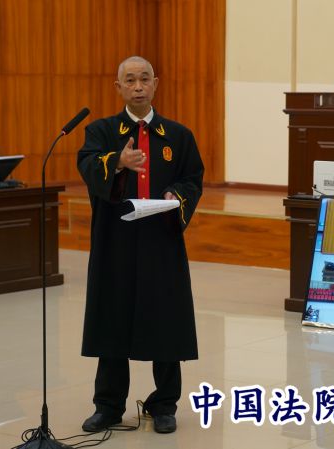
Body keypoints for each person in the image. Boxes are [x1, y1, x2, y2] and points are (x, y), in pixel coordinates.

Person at [76, 56, 204, 435]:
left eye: (144, 79)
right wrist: (117, 161)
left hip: (160, 240)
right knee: (112, 318)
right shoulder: (101, 131)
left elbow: (193, 178)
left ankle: (164, 405)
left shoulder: (178, 136)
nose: (137, 86)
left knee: (165, 319)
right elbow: (87, 165)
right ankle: (108, 406)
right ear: (118, 87)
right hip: (115, 240)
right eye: (129, 80)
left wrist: (175, 194)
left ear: (155, 84)